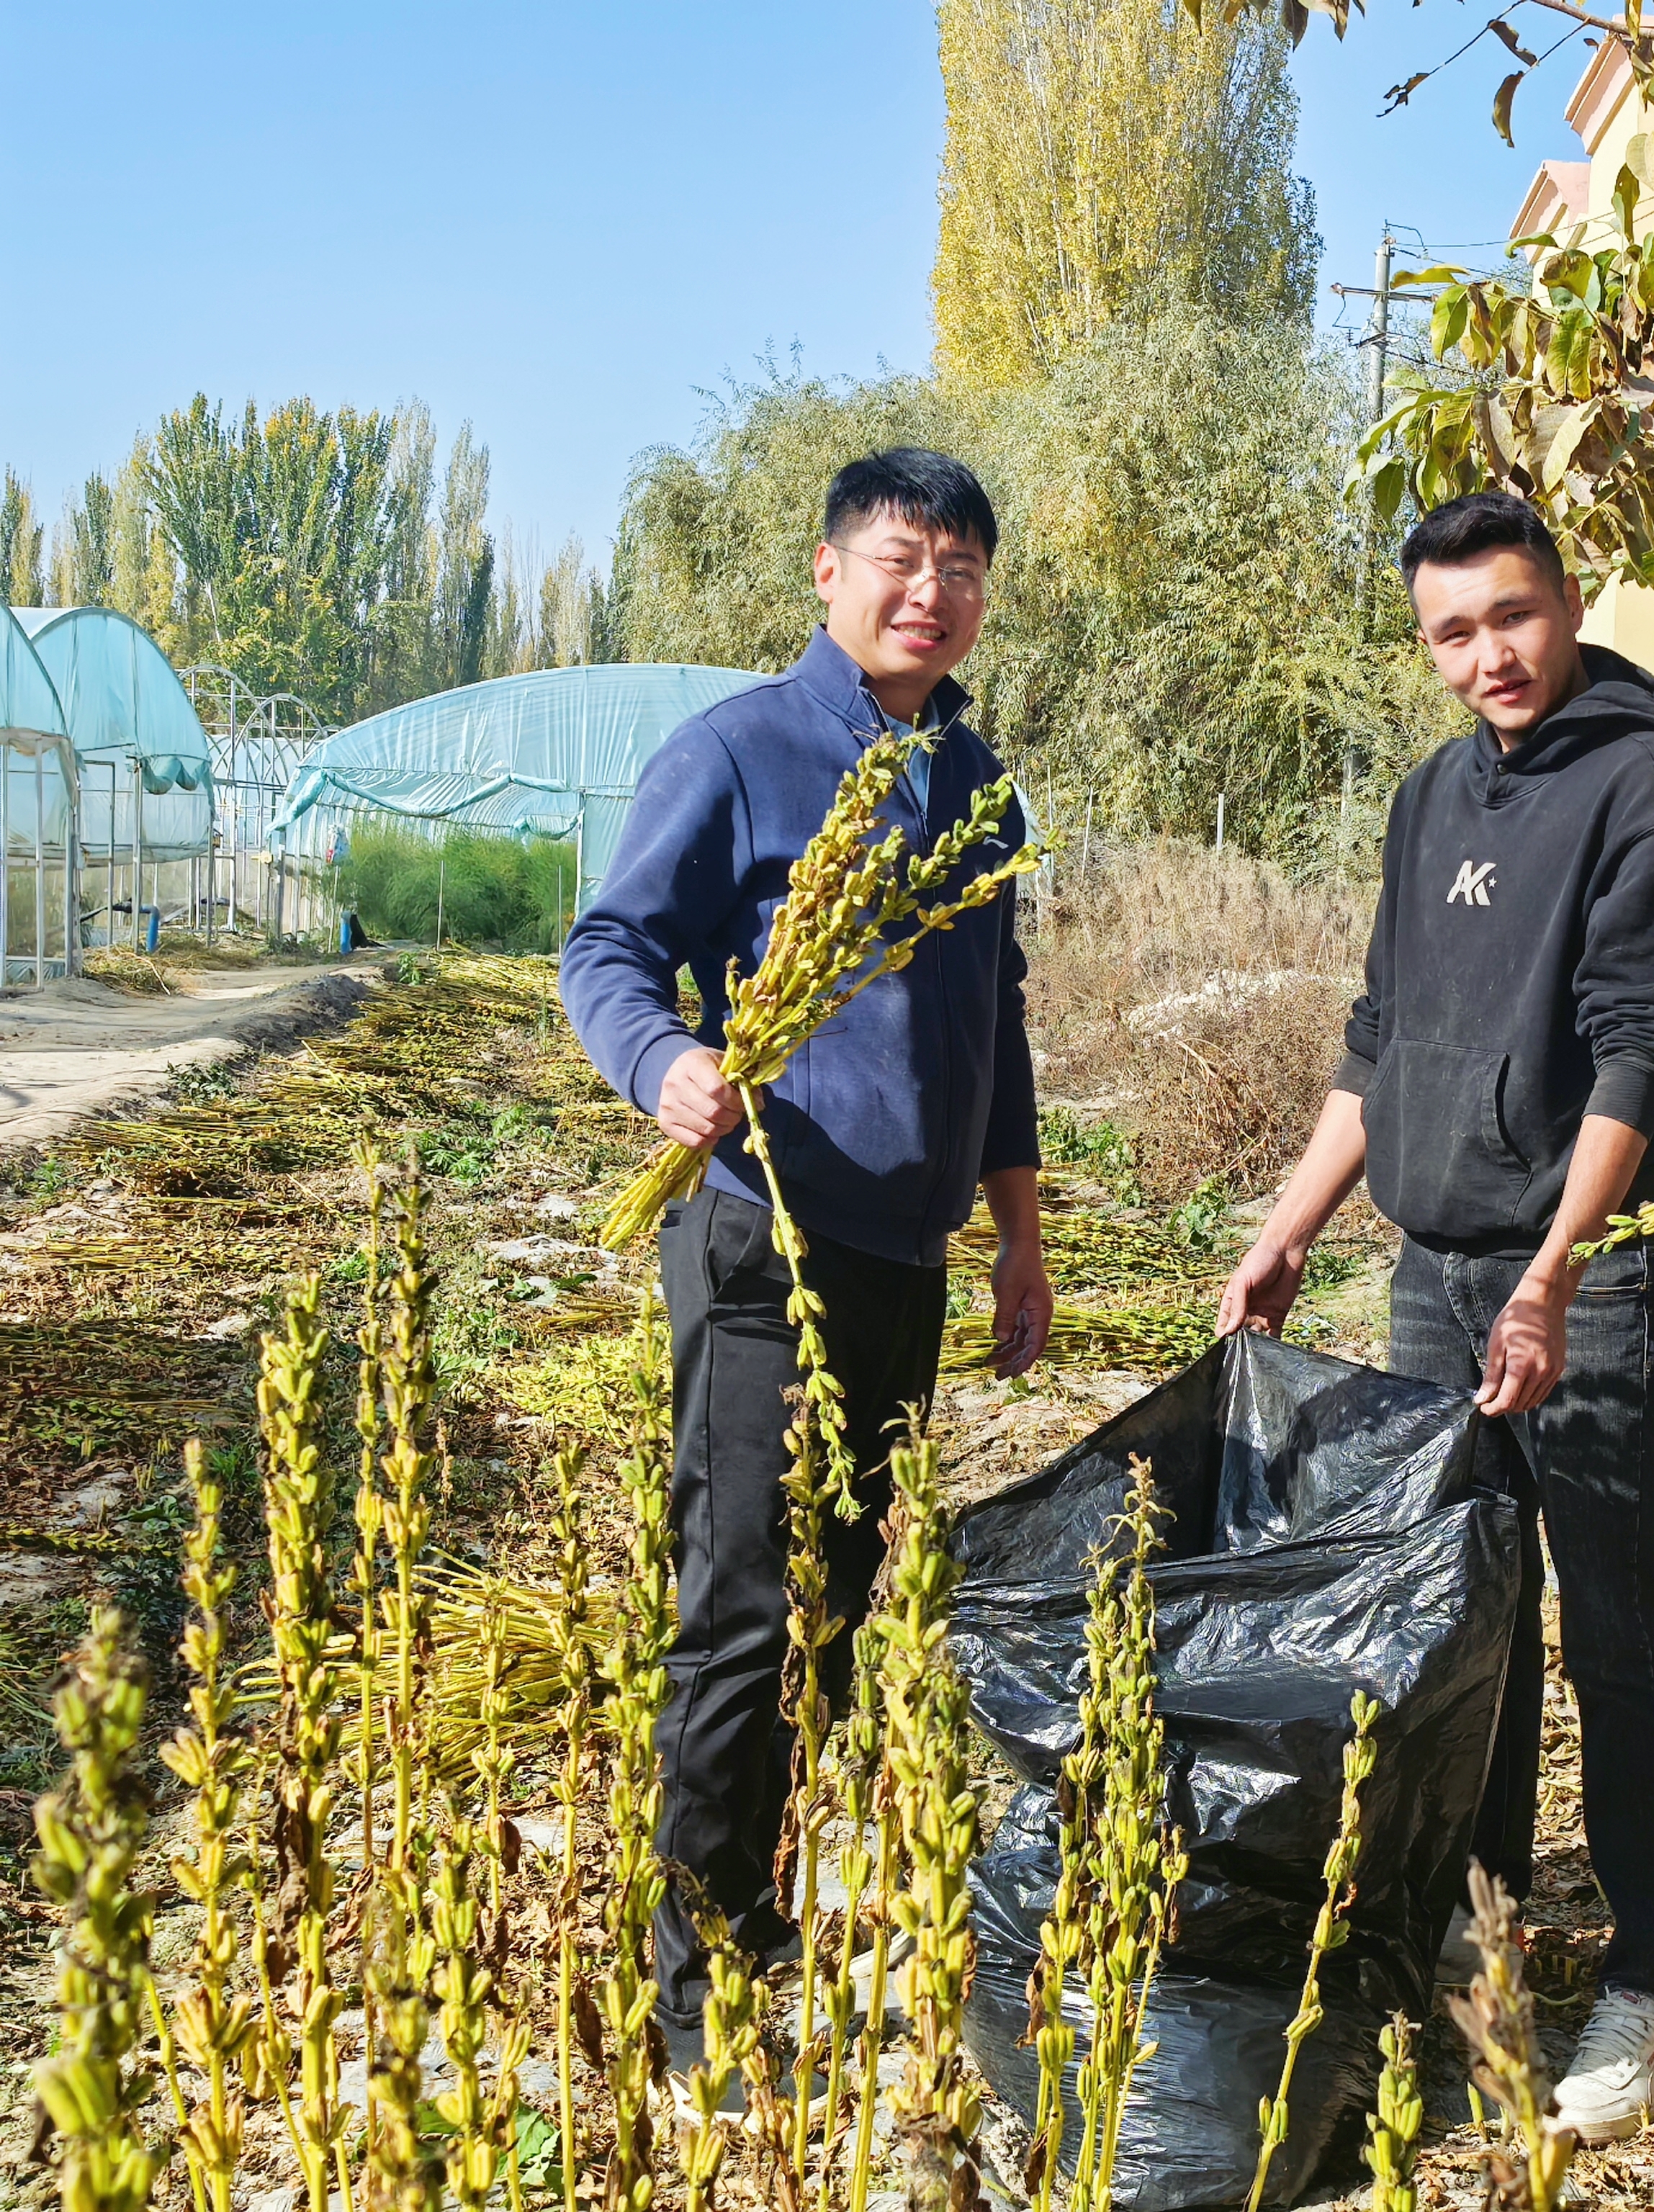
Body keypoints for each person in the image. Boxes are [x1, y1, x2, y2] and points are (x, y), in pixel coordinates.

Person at [1216, 490, 1654, 2141]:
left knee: (1612, 1624)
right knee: (1459, 1622)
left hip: (1578, 1273)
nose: (1486, 658)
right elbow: (1379, 1036)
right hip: (1431, 1279)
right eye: (1450, 633)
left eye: (1510, 618)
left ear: (1567, 602)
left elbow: (1647, 1045)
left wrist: (1559, 1265)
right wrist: (1290, 1225)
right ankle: (1487, 1946)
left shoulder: (1647, 787)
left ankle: (1649, 1979)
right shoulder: (1431, 796)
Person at [560, 446, 1050, 2099]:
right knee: (742, 1603)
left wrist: (1018, 1236)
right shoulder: (740, 753)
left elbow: (1002, 1031)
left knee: (839, 1604)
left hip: (905, 1252)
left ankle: (764, 1904)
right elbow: (609, 948)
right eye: (903, 558)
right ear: (827, 573)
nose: (933, 590)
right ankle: (686, 1971)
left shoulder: (978, 784)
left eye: (963, 567)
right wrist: (662, 1069)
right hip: (762, 1236)